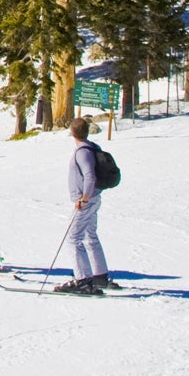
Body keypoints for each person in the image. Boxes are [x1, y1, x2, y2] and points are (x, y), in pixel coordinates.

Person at [57, 116, 113, 294]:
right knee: (90, 235)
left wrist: (84, 197)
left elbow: (89, 175)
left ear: (72, 133)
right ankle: (99, 276)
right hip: (94, 198)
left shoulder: (82, 151)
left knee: (73, 238)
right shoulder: (92, 147)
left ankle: (83, 279)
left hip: (86, 201)